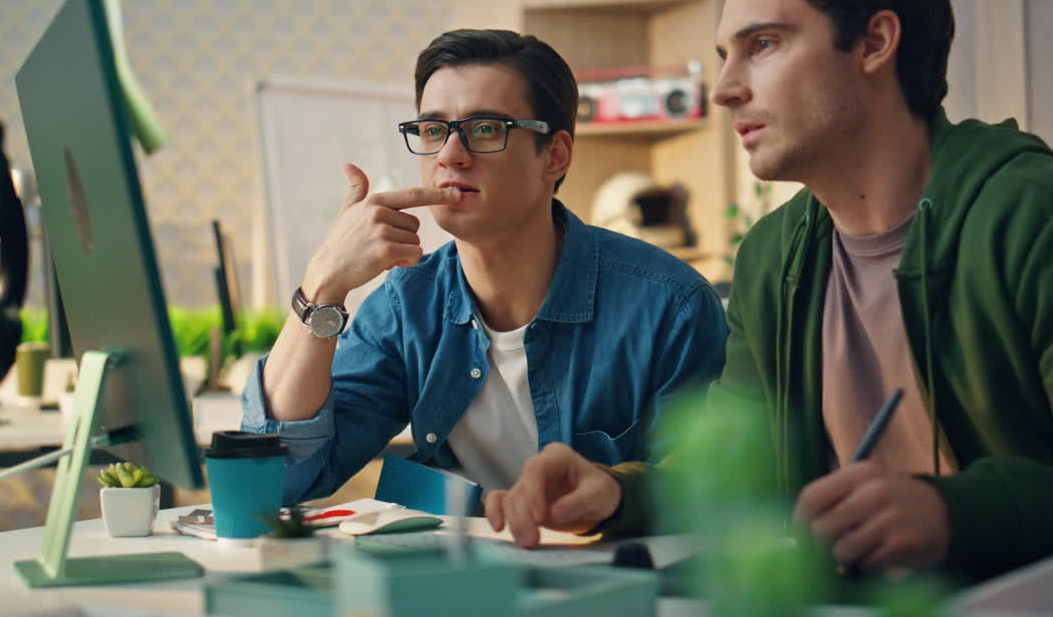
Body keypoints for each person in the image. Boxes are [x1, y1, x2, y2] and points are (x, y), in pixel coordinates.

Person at [485, 0, 1053, 582]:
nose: (727, 89)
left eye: (763, 44)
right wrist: (614, 491)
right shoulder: (771, 257)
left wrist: (953, 512)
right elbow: (738, 474)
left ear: (875, 42)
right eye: (727, 54)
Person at [241, 28, 727, 505]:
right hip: (456, 573)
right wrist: (323, 284)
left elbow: (701, 497)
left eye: (485, 129)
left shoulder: (670, 306)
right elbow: (278, 479)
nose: (451, 155)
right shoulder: (407, 305)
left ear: (554, 156)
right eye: (433, 130)